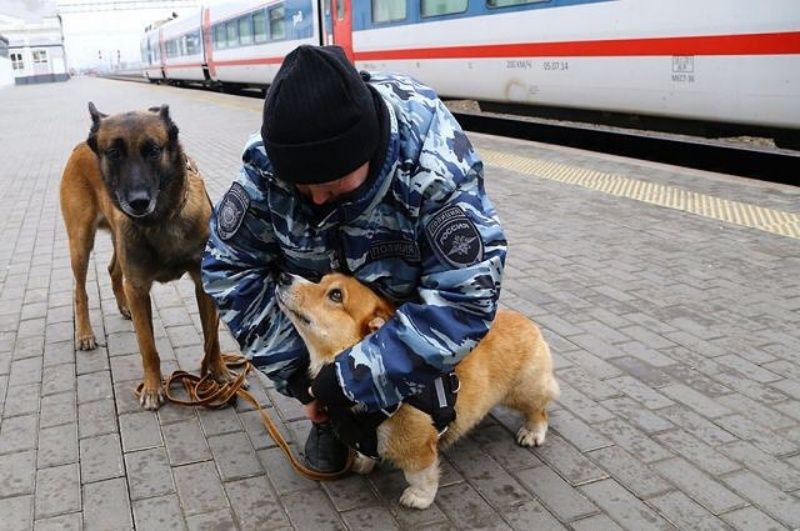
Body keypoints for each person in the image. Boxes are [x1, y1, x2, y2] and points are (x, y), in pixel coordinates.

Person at [201, 45, 507, 472]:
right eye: (303, 187)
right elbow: (227, 268)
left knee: (429, 363)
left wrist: (356, 379)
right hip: (325, 318)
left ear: (367, 148)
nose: (319, 198)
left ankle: (410, 387)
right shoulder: (268, 164)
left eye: (333, 183)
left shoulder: (434, 165)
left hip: (398, 308)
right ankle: (333, 414)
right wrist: (307, 382)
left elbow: (465, 297)